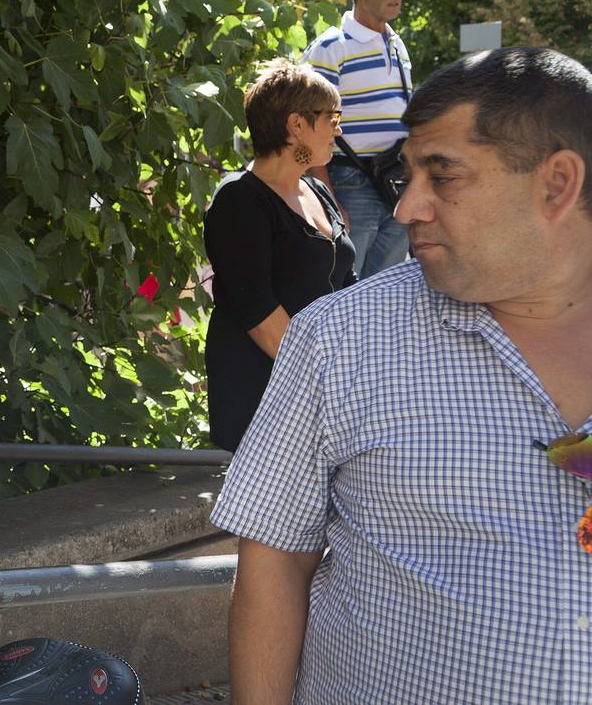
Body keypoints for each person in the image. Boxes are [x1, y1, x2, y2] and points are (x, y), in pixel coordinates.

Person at [212, 47, 592, 703]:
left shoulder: (318, 195)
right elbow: (274, 559)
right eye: (406, 173)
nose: (406, 206)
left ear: (556, 184)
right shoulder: (337, 341)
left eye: (440, 175)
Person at [203, 60, 356, 452]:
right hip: (265, 401)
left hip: (321, 393)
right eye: (332, 117)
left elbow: (345, 284)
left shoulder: (316, 191)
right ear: (297, 125)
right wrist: (329, 381)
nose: (338, 129)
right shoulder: (239, 199)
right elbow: (259, 313)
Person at [303, 0, 413, 278]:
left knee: (386, 288)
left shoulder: (398, 44)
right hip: (349, 182)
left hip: (395, 182)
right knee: (344, 285)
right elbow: (310, 124)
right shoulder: (331, 47)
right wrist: (328, 198)